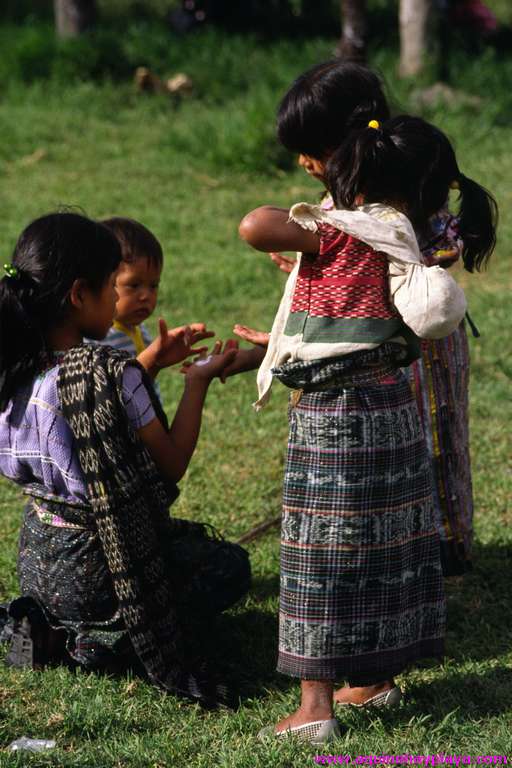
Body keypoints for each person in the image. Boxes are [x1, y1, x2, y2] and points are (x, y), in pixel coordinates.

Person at [231, 114, 496, 744]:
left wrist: (324, 214)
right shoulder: (409, 236)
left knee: (318, 554)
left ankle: (314, 708)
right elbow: (363, 320)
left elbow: (254, 225)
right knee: (384, 545)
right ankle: (374, 681)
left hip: (335, 418)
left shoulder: (347, 228)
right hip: (391, 408)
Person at [245, 59, 496, 576]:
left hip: (415, 346)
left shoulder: (397, 189)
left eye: (311, 151)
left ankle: (444, 545)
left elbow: (420, 256)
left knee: (432, 437)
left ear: (347, 145)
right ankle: (409, 545)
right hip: (365, 346)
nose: (303, 163)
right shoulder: (348, 197)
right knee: (394, 452)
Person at [0, 212, 250, 708]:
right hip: (102, 564)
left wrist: (152, 358)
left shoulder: (13, 370)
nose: (118, 300)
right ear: (78, 294)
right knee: (228, 567)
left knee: (75, 599)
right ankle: (98, 644)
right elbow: (172, 463)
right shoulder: (110, 373)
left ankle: (51, 627)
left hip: (39, 553)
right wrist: (197, 381)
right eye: (111, 286)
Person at [90, 216, 214, 359]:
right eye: (133, 285)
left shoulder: (138, 328)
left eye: (153, 286)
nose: (145, 296)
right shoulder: (99, 341)